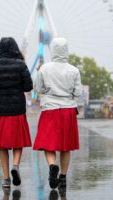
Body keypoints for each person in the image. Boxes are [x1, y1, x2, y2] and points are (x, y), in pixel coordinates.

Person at [33, 38, 82, 191]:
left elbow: (39, 89)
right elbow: (78, 93)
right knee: (65, 147)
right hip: (68, 110)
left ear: (52, 50)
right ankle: (63, 177)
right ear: (66, 50)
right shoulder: (74, 70)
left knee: (49, 144)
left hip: (50, 109)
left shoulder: (44, 68)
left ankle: (52, 165)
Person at [0, 37, 33, 189]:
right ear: (15, 49)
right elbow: (28, 87)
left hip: (0, 109)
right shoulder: (20, 65)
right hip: (17, 109)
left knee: (2, 145)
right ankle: (16, 165)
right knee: (17, 141)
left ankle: (6, 178)